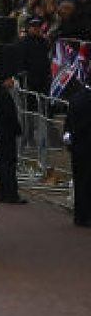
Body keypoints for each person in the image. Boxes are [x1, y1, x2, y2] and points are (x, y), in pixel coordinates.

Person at [0, 69, 28, 203]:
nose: (12, 81)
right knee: (9, 164)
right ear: (4, 81)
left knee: (3, 164)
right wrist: (18, 129)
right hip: (7, 134)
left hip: (1, 134)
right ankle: (11, 195)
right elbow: (10, 116)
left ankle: (4, 194)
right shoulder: (4, 96)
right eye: (10, 78)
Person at [65, 78, 91, 226]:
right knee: (87, 183)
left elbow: (68, 122)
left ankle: (79, 216)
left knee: (79, 180)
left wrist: (69, 139)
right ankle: (86, 216)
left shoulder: (75, 98)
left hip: (76, 147)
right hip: (87, 146)